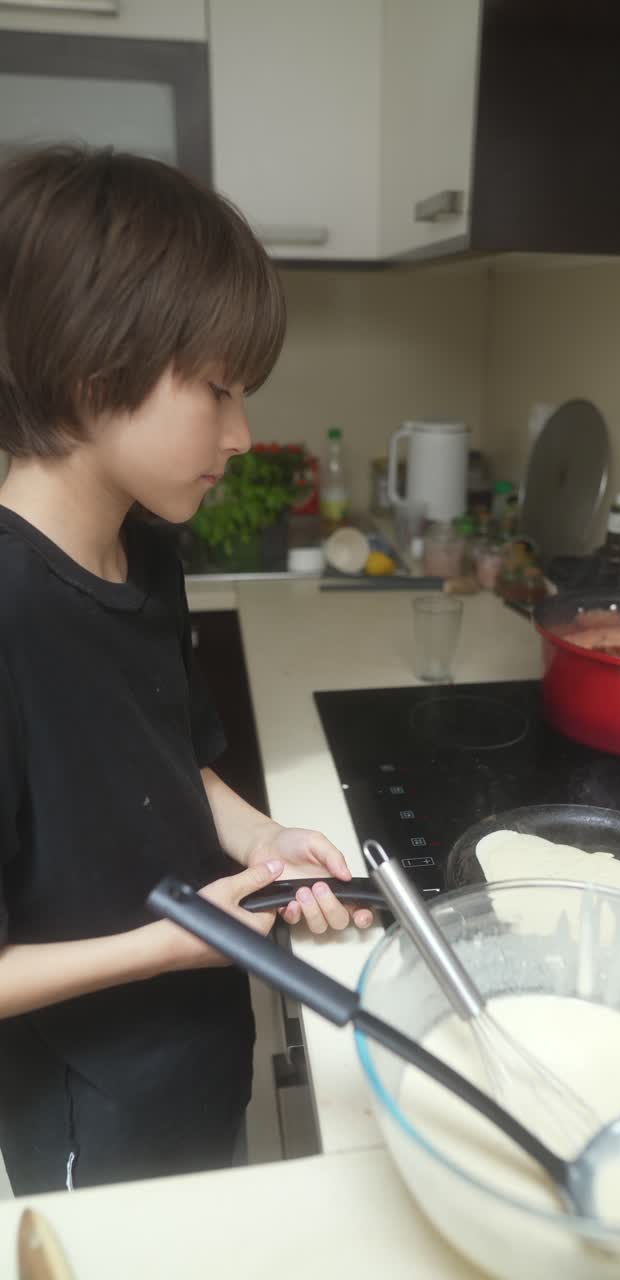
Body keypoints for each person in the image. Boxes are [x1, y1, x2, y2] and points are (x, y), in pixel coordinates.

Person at [0, 145, 373, 1196]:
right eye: (217, 390)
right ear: (91, 371)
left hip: (202, 1034)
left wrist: (265, 836)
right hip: (94, 1103)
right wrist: (175, 943)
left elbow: (172, 756)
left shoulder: (148, 548)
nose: (243, 433)